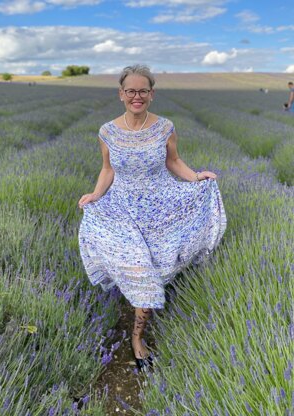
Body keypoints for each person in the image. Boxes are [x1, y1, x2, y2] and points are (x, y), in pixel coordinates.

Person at [78, 64, 227, 371]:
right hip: (121, 208)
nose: (137, 96)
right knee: (139, 272)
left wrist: (198, 177)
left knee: (154, 271)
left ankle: (138, 334)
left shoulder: (165, 127)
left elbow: (174, 162)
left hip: (161, 205)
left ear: (151, 94)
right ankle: (136, 330)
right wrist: (95, 195)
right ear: (121, 94)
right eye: (130, 90)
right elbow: (108, 170)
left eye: (142, 91)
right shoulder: (107, 131)